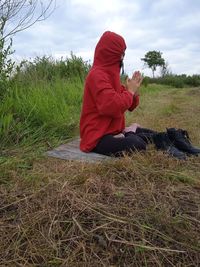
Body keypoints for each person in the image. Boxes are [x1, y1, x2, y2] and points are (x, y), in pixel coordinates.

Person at [79, 31, 200, 159]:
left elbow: (129, 106)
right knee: (137, 144)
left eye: (123, 54)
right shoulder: (96, 75)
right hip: (97, 136)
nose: (122, 58)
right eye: (121, 54)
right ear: (110, 53)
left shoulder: (111, 76)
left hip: (112, 131)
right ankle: (131, 133)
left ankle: (173, 139)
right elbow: (111, 107)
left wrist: (134, 92)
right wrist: (129, 91)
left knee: (154, 134)